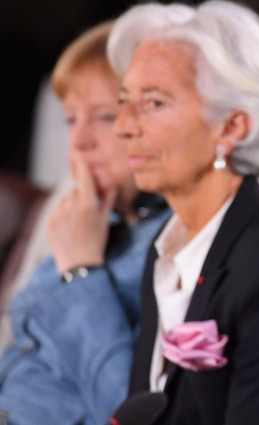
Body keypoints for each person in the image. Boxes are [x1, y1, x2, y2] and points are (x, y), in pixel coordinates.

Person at [107, 2, 259, 424]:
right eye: (124, 100)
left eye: (153, 103)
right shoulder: (168, 244)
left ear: (232, 127)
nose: (123, 125)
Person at [0, 20, 171, 425]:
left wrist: (81, 272)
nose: (79, 143)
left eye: (105, 117)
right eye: (71, 119)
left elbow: (127, 410)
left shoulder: (179, 244)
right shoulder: (94, 216)